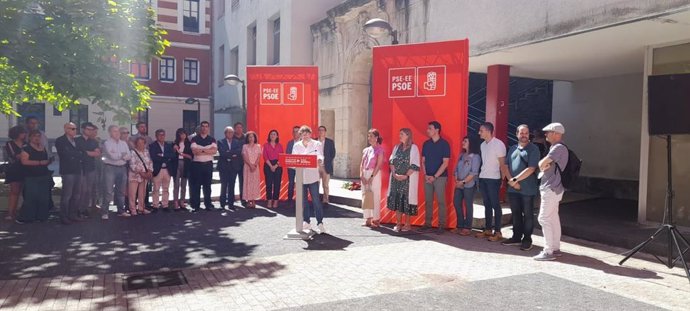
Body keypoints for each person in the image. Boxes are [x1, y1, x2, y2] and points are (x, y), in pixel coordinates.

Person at [500, 125, 541, 250]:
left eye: (526, 133)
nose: (524, 135)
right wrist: (511, 181)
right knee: (516, 213)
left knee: (528, 214)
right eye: (521, 133)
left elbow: (531, 168)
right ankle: (516, 237)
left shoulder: (533, 149)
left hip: (527, 189)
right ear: (517, 134)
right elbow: (505, 166)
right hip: (513, 188)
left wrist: (515, 180)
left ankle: (527, 239)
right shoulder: (512, 148)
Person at [534, 122, 568, 261]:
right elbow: (544, 164)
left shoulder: (558, 148)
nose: (546, 134)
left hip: (551, 188)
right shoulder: (557, 148)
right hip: (556, 188)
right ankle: (555, 248)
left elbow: (541, 164)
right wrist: (544, 164)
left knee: (543, 218)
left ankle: (548, 251)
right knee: (553, 218)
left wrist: (543, 164)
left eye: (548, 132)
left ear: (556, 134)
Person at [476, 122, 507, 241]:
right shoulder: (483, 145)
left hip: (494, 179)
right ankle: (488, 229)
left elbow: (502, 164)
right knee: (487, 204)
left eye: (481, 130)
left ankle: (498, 231)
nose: (479, 133)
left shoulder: (498, 144)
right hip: (483, 177)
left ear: (488, 131)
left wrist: (502, 180)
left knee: (495, 205)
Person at [15, 130, 53, 224]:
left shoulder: (43, 147)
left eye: (38, 136)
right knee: (31, 197)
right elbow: (24, 162)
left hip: (43, 175)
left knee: (43, 197)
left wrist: (48, 161)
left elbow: (46, 159)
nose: (37, 138)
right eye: (35, 136)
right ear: (30, 137)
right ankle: (27, 217)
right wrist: (40, 163)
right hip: (31, 176)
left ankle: (41, 216)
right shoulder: (26, 148)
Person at [293, 126, 326, 234]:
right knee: (303, 201)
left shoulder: (317, 144)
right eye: (303, 134)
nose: (305, 135)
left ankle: (320, 223)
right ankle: (306, 221)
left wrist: (320, 160)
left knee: (316, 200)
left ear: (310, 134)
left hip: (312, 176)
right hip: (300, 176)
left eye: (307, 133)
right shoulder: (297, 145)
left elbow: (320, 155)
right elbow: (293, 158)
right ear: (300, 135)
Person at [387, 128, 420, 232]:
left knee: (406, 200)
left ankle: (407, 224)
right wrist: (394, 174)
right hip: (396, 179)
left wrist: (405, 176)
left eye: (401, 134)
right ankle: (398, 224)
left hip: (407, 180)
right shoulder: (396, 147)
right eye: (399, 133)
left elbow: (415, 164)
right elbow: (391, 161)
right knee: (397, 200)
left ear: (408, 135)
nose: (399, 136)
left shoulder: (414, 148)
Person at [420, 121, 451, 235]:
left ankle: (441, 225)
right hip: (427, 177)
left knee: (441, 201)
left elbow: (445, 163)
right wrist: (426, 175)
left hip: (440, 178)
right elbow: (423, 161)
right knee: (428, 201)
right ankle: (427, 224)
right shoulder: (426, 144)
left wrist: (434, 176)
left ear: (437, 130)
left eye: (430, 128)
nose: (427, 130)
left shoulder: (444, 144)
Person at [55, 122, 84, 224]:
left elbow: (82, 153)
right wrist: (77, 154)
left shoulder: (76, 141)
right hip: (67, 171)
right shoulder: (60, 140)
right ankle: (64, 216)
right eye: (72, 128)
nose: (74, 130)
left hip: (77, 170)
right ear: (66, 129)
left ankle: (73, 214)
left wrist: (76, 155)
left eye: (75, 128)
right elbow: (65, 154)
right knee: (67, 195)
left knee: (76, 194)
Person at [453, 135, 481, 236]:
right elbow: (456, 169)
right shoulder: (461, 155)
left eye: (465, 141)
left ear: (471, 143)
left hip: (469, 184)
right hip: (459, 183)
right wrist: (456, 179)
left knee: (468, 205)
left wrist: (463, 181)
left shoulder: (476, 157)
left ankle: (467, 227)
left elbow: (474, 173)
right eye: (463, 140)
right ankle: (460, 225)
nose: (463, 142)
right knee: (456, 202)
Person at [102, 125, 131, 219]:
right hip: (110, 168)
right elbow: (111, 156)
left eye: (118, 131)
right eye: (114, 131)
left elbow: (129, 156)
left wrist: (119, 155)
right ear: (110, 133)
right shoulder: (107, 143)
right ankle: (105, 212)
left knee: (121, 191)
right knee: (108, 191)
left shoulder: (123, 143)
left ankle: (121, 210)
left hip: (122, 168)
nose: (117, 133)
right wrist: (122, 155)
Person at [190, 121, 217, 212]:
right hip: (197, 165)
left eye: (206, 126)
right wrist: (207, 150)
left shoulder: (212, 139)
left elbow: (214, 151)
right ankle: (196, 206)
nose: (204, 128)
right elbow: (194, 152)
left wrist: (200, 150)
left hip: (208, 165)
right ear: (200, 128)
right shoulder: (195, 139)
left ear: (208, 128)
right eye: (203, 126)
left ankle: (208, 205)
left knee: (207, 186)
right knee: (196, 186)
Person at [76, 122, 102, 218]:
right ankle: (78, 209)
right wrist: (89, 153)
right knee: (82, 190)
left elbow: (97, 153)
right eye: (88, 129)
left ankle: (85, 208)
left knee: (88, 190)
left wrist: (86, 152)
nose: (90, 131)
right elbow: (78, 153)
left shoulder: (93, 141)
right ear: (83, 129)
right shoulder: (77, 140)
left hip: (91, 168)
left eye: (91, 129)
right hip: (80, 168)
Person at [360, 129, 384, 227]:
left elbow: (379, 165)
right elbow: (362, 163)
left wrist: (372, 177)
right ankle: (368, 219)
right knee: (365, 195)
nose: (369, 138)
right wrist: (361, 175)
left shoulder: (380, 150)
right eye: (368, 136)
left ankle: (376, 219)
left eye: (371, 136)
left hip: (375, 173)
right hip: (365, 172)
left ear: (376, 138)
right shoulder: (366, 150)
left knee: (375, 196)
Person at [4, 126, 27, 221]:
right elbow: (14, 156)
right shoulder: (9, 144)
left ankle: (19, 211)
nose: (24, 134)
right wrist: (24, 154)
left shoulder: (26, 144)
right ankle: (10, 212)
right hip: (14, 169)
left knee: (24, 191)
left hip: (25, 169)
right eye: (22, 132)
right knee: (14, 191)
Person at [149, 129, 174, 211]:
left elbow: (172, 155)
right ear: (156, 136)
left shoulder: (168, 145)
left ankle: (165, 205)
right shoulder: (153, 145)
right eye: (160, 135)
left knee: (166, 189)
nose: (162, 136)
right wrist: (166, 157)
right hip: (157, 169)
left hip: (167, 169)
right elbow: (154, 157)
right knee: (156, 189)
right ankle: (155, 205)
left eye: (163, 134)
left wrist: (162, 155)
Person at [217, 126, 240, 210]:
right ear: (225, 133)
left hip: (233, 167)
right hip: (223, 167)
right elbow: (222, 153)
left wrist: (229, 153)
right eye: (229, 132)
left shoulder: (236, 142)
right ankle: (222, 204)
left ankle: (231, 204)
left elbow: (238, 152)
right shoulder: (220, 142)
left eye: (232, 132)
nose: (230, 134)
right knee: (224, 185)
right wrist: (232, 154)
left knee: (232, 185)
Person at [129, 137, 153, 215]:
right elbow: (132, 164)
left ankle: (141, 208)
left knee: (142, 193)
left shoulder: (147, 152)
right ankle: (133, 209)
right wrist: (142, 173)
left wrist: (149, 171)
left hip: (145, 175)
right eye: (139, 143)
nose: (141, 145)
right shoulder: (132, 152)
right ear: (136, 144)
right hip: (135, 176)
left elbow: (150, 162)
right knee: (132, 194)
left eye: (142, 143)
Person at [172, 128, 193, 210]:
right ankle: (176, 202)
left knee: (184, 184)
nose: (183, 135)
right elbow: (172, 155)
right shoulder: (175, 143)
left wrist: (183, 154)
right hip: (176, 164)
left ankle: (182, 201)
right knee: (176, 184)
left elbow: (191, 156)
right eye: (181, 134)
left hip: (185, 163)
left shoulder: (189, 143)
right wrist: (174, 149)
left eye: (184, 133)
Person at [263, 130, 284, 208]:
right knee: (268, 184)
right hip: (268, 165)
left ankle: (275, 201)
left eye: (274, 134)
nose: (272, 135)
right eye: (271, 134)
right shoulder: (265, 145)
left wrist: (275, 166)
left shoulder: (280, 145)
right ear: (269, 136)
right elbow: (265, 156)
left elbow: (281, 156)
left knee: (277, 184)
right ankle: (269, 201)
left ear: (277, 136)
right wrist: (271, 166)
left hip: (278, 166)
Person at [242, 131, 262, 208]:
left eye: (252, 136)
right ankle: (248, 201)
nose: (251, 138)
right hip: (247, 167)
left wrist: (254, 165)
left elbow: (258, 157)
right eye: (249, 137)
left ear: (255, 138)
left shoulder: (258, 146)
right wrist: (250, 165)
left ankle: (254, 201)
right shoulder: (245, 146)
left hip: (255, 168)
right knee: (247, 183)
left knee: (254, 183)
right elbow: (244, 157)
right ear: (247, 138)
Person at [317, 126, 336, 204]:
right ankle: (316, 200)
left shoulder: (330, 142)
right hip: (316, 167)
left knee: (325, 185)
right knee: (315, 185)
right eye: (320, 130)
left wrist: (327, 161)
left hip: (326, 167)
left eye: (323, 130)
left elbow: (333, 154)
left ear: (325, 132)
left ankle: (325, 200)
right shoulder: (314, 141)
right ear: (318, 132)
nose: (321, 132)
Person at [232, 122, 247, 206]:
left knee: (243, 182)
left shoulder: (246, 137)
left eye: (241, 127)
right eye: (237, 127)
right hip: (233, 163)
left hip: (243, 163)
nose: (239, 129)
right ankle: (231, 199)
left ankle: (243, 199)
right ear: (234, 129)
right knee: (231, 181)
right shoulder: (231, 137)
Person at [285, 126, 300, 205]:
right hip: (291, 167)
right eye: (294, 131)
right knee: (291, 183)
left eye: (297, 131)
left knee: (300, 183)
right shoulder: (290, 143)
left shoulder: (304, 143)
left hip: (301, 167)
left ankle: (299, 200)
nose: (295, 133)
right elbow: (287, 154)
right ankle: (289, 200)